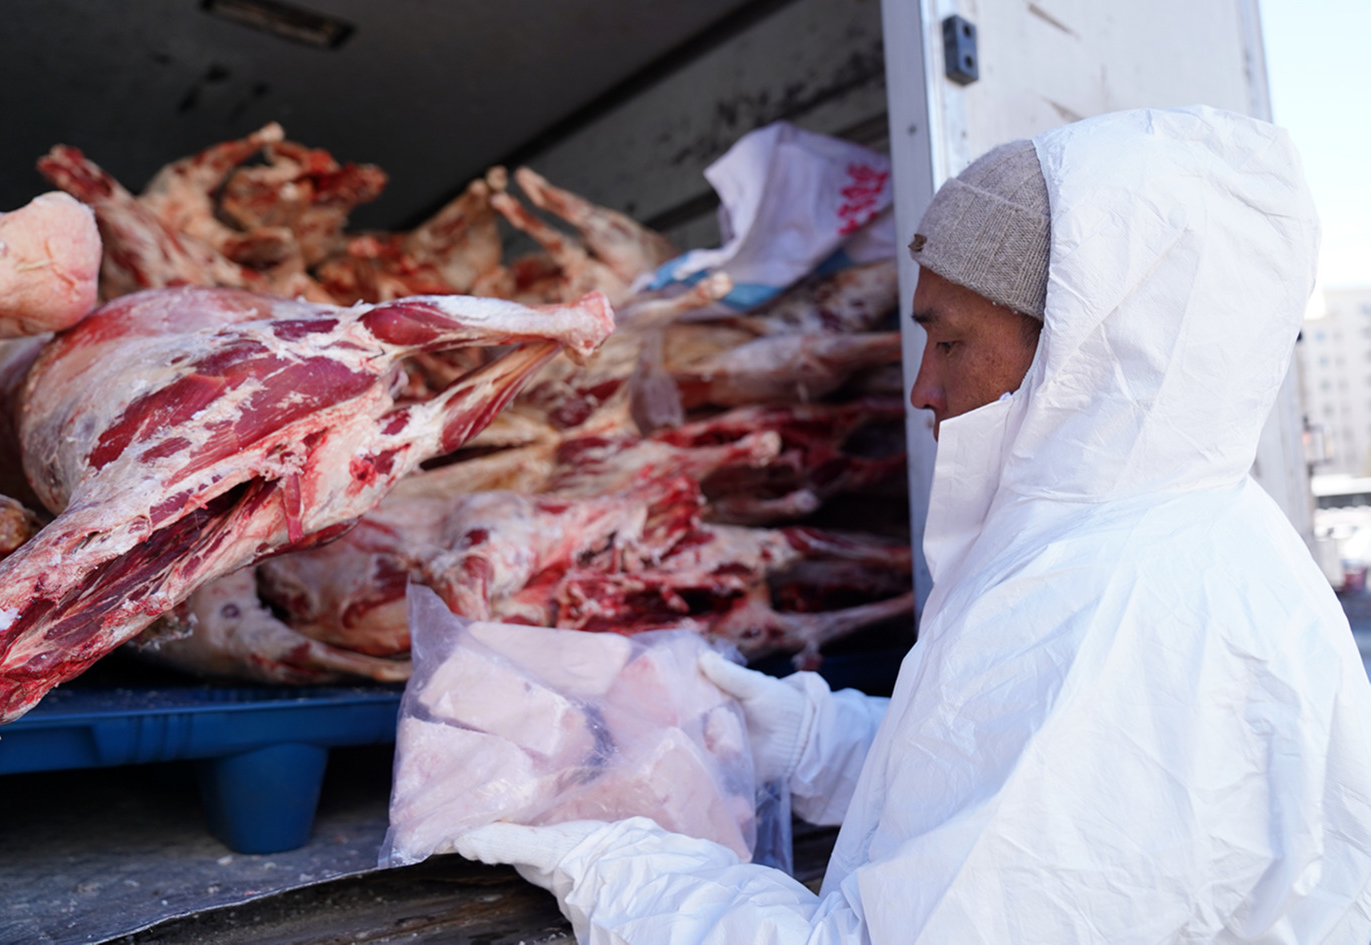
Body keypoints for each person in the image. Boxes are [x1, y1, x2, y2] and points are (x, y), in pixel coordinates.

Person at [454, 106, 1371, 943]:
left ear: (1080, 348)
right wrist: (820, 742)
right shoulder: (1166, 529)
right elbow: (999, 783)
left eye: (951, 340)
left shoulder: (1117, 604)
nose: (921, 387)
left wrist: (622, 870)